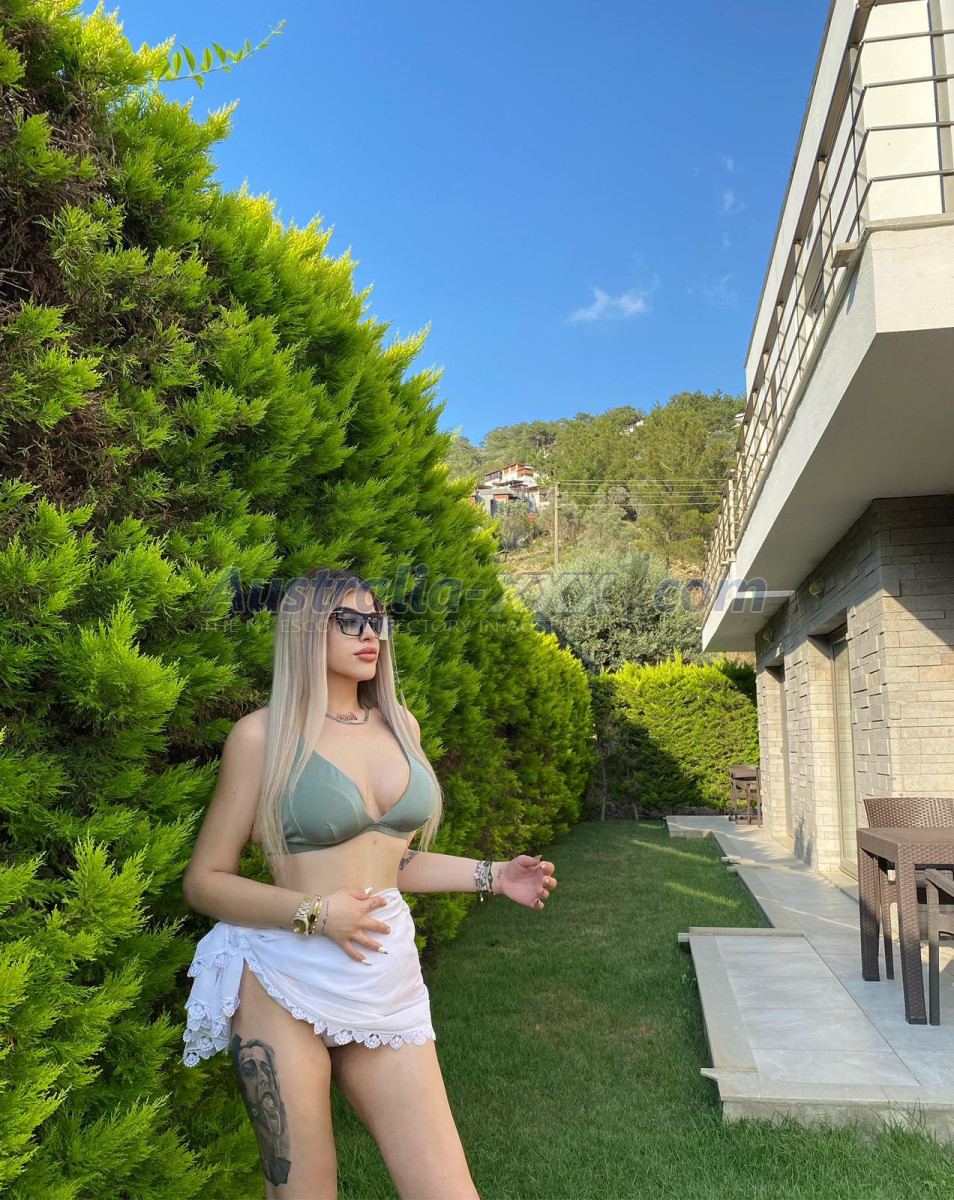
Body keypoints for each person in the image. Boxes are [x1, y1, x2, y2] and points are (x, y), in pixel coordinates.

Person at [181, 566, 558, 1199]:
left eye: (376, 620)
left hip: (384, 975)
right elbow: (204, 882)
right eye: (349, 621)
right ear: (306, 629)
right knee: (304, 1192)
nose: (370, 634)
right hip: (280, 973)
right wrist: (317, 914)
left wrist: (492, 875)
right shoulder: (262, 736)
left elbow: (389, 865)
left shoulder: (400, 725)